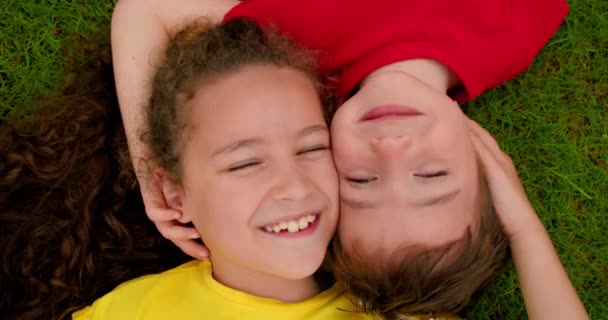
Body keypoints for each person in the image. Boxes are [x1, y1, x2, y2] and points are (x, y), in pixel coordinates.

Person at [111, 0, 578, 317]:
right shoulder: (516, 26)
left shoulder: (289, 54)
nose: (392, 150)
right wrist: (522, 225)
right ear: (486, 166)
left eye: (361, 181)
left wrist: (148, 163)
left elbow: (146, 7)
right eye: (432, 176)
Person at [72, 18, 376, 319]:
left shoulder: (396, 306)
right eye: (245, 163)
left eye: (312, 148)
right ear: (175, 195)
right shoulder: (130, 313)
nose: (296, 186)